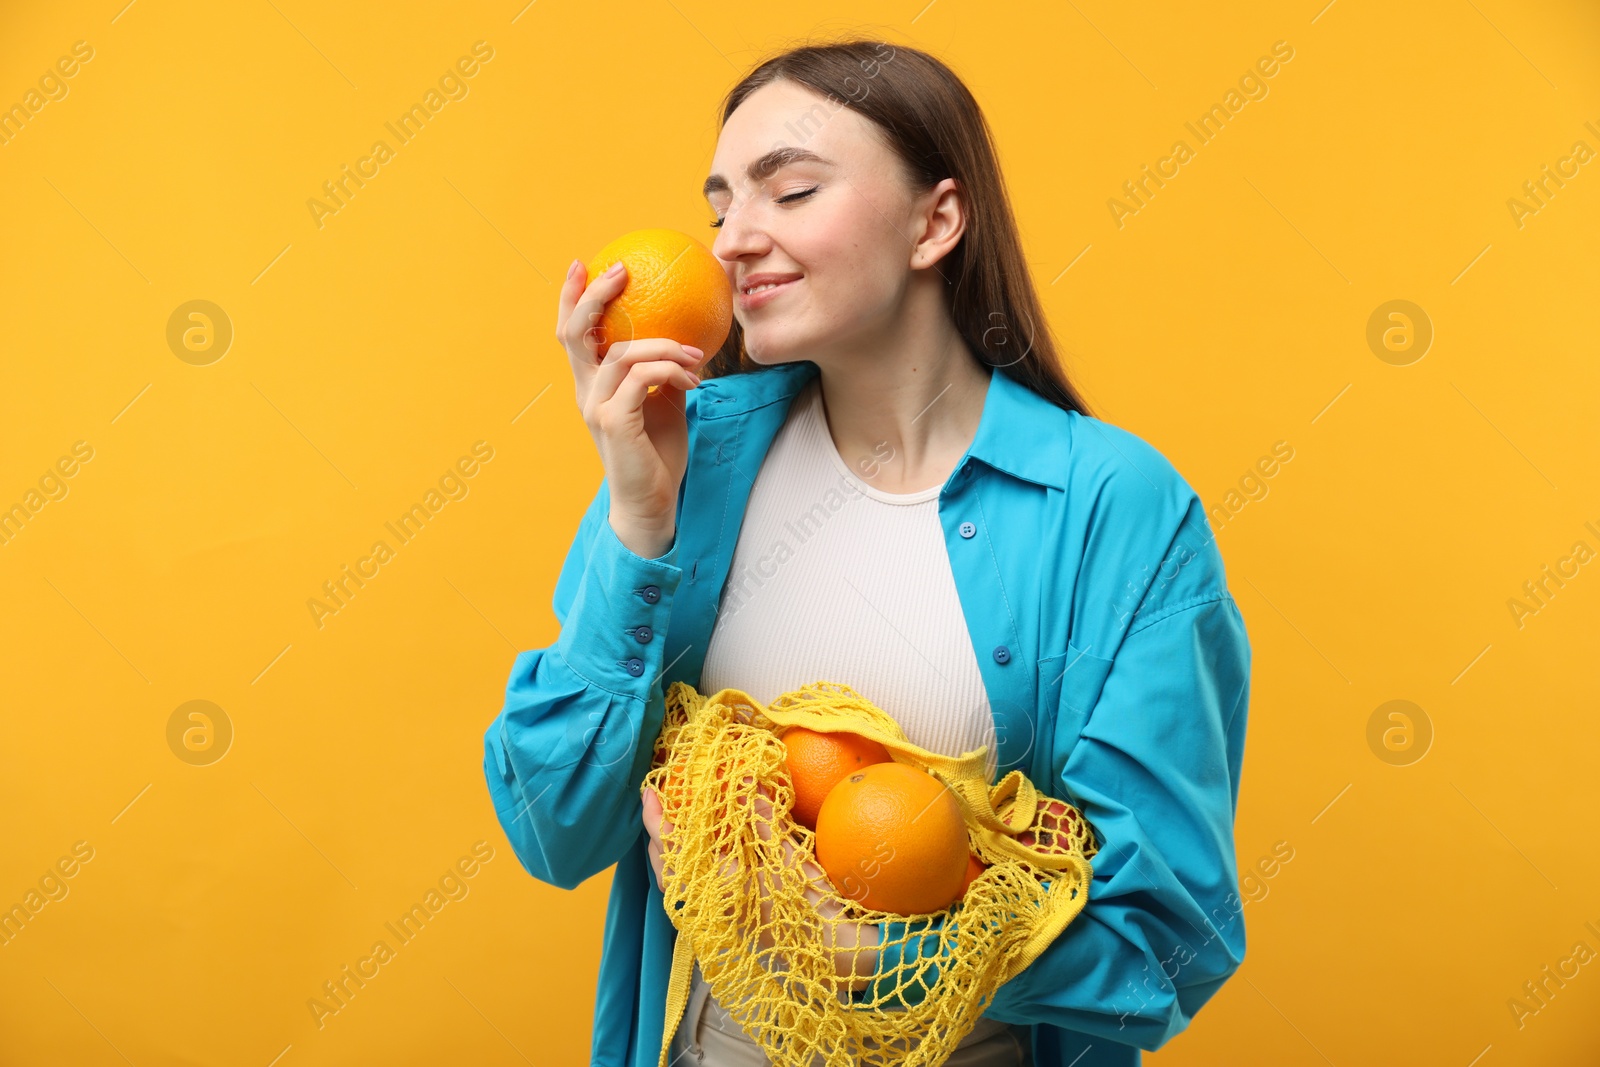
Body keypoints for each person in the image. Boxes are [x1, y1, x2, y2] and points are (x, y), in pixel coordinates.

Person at [482, 38, 1252, 1067]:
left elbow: (1171, 931)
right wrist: (636, 518)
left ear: (935, 221)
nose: (729, 243)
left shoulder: (1115, 507)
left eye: (789, 191)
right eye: (719, 210)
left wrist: (890, 955)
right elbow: (555, 829)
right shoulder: (683, 464)